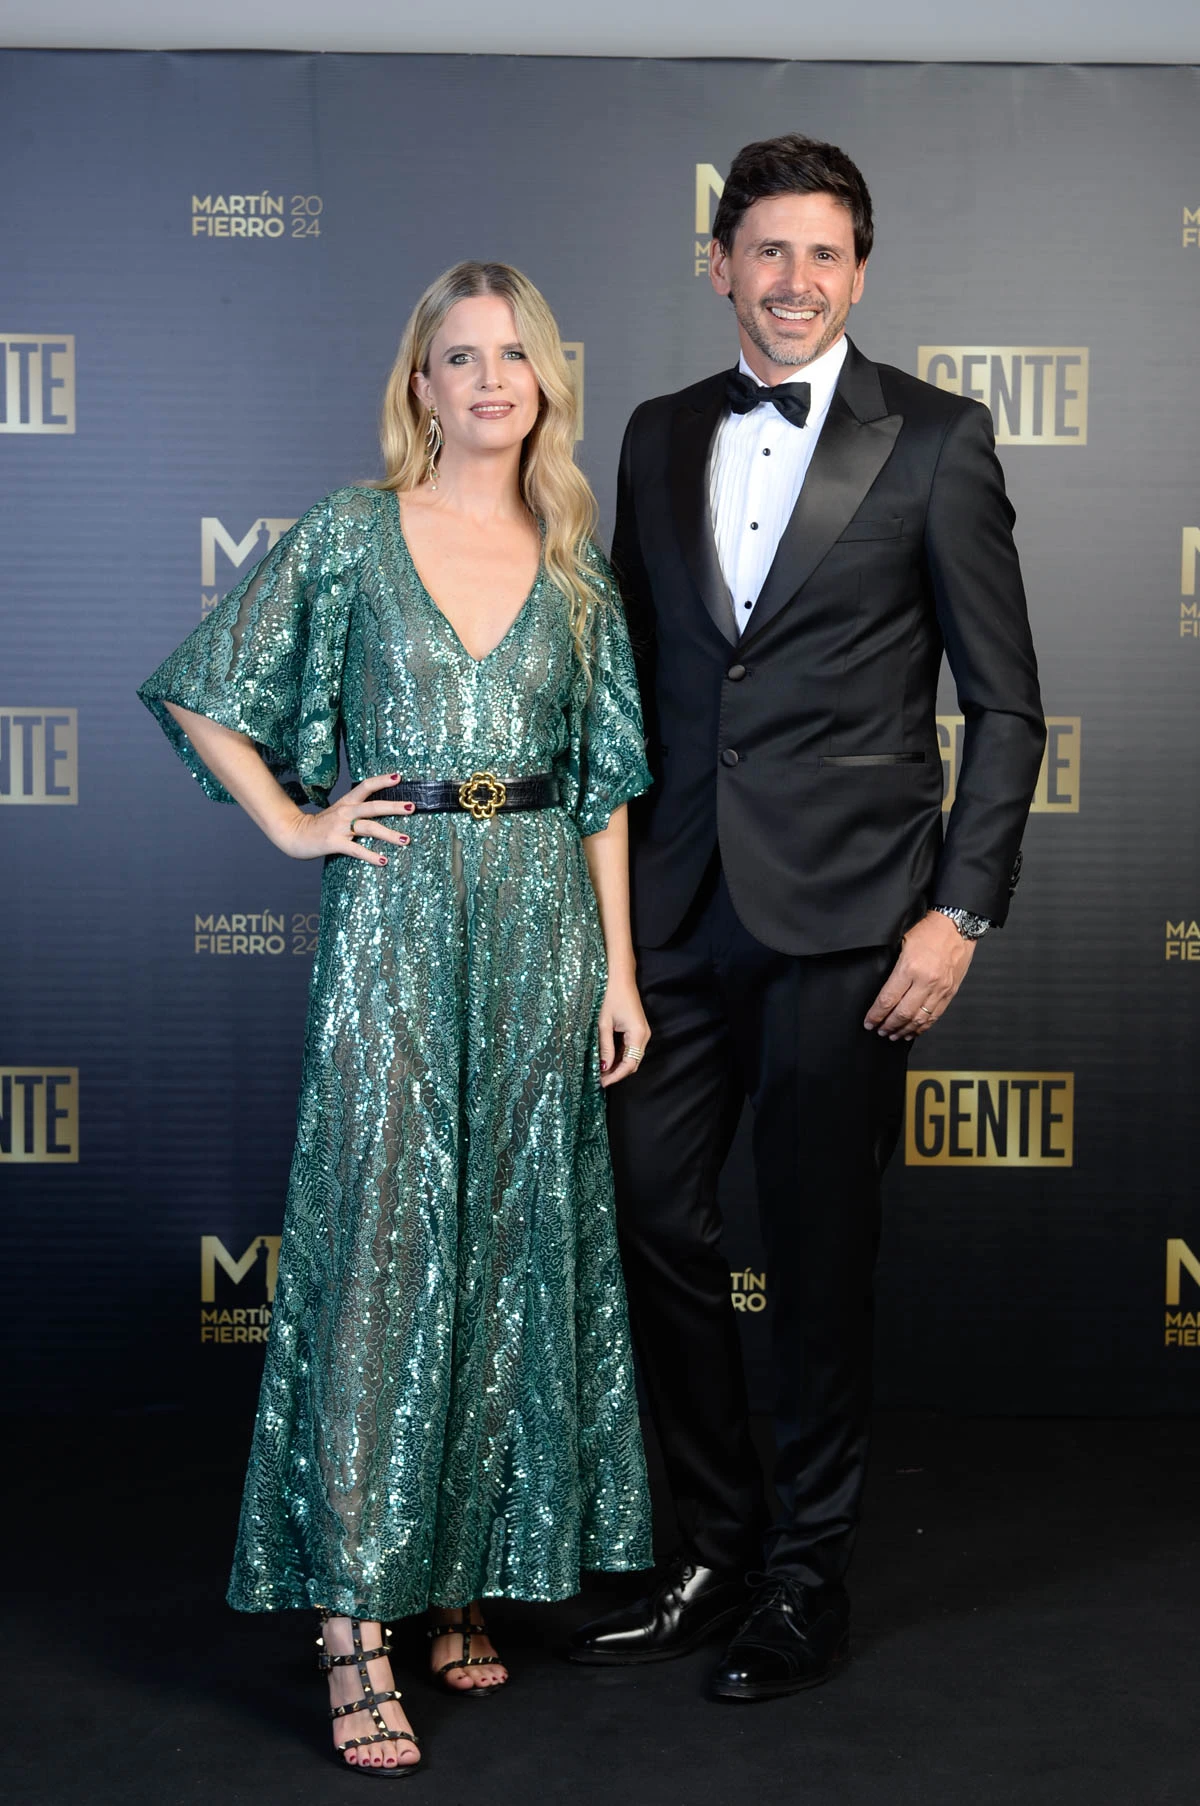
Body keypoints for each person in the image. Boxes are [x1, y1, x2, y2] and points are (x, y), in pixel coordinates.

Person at [139, 261, 654, 1773]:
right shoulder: (352, 535)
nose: (490, 379)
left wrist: (619, 972)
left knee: (507, 1244)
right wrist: (298, 825)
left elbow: (605, 788)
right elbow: (202, 692)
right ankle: (354, 1616)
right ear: (418, 384)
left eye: (514, 355)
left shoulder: (575, 560)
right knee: (380, 1251)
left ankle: (457, 1575)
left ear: (546, 381)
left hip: (543, 923)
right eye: (460, 356)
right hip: (397, 919)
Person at [568, 134, 1046, 1701]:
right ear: (718, 263)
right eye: (766, 250)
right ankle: (716, 1542)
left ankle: (805, 1575)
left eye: (823, 253)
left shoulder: (941, 440)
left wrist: (958, 912)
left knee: (823, 1254)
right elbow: (631, 684)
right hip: (673, 911)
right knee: (655, 1217)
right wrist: (609, 921)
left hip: (850, 923)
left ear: (861, 270)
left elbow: (1006, 708)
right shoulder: (655, 432)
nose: (793, 281)